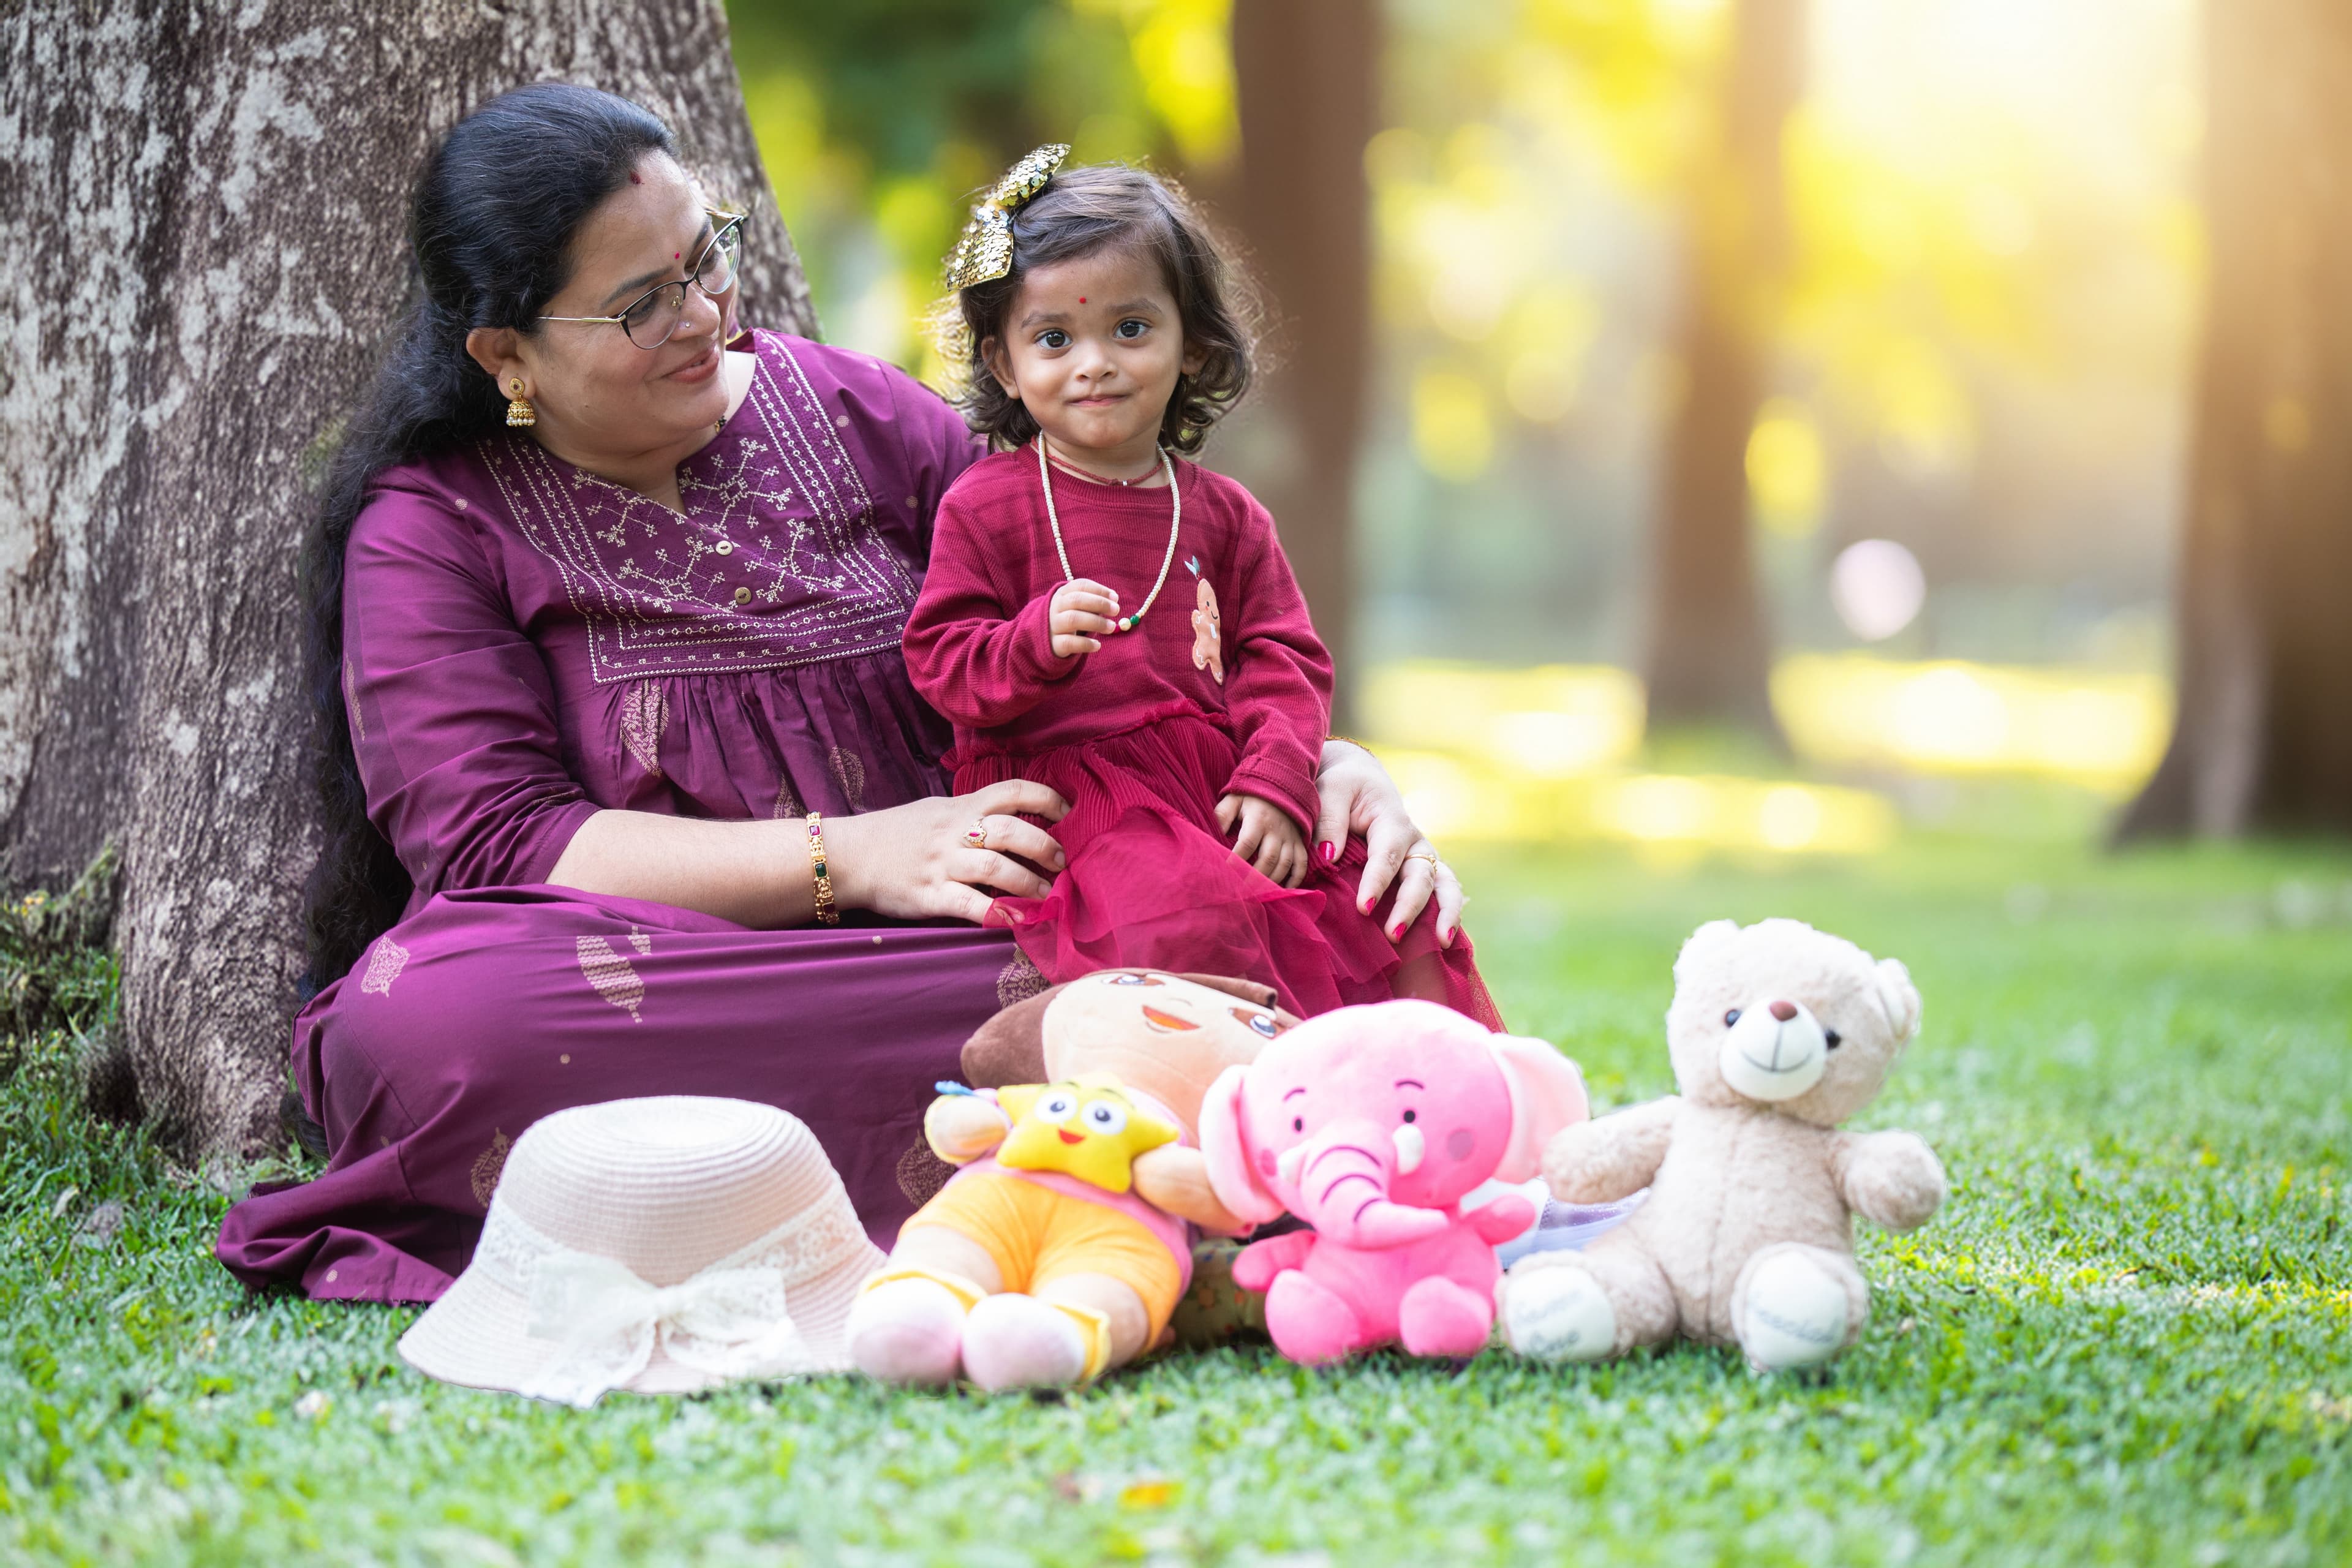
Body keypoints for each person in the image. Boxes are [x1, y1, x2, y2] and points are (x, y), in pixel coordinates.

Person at [214, 85, 1468, 1305]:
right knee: (434, 1026)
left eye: (708, 258)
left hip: (993, 920)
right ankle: (1149, 1090)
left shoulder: (858, 414)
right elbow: (497, 838)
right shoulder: (433, 526)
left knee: (1287, 896)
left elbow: (1120, 620)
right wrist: (850, 858)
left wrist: (1314, 759)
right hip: (665, 966)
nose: (705, 313)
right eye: (644, 303)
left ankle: (1141, 1076)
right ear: (508, 353)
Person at [902, 149, 1496, 1025]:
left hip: (1221, 788)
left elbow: (1282, 655)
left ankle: (1423, 1094)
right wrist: (1031, 641)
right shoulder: (987, 505)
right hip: (1084, 806)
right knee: (1182, 916)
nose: (1094, 363)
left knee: (1380, 906)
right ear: (1003, 365)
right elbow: (940, 658)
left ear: (1193, 344)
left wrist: (1277, 780)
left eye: (1132, 329)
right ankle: (1242, 1104)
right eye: (1054, 338)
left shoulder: (1225, 514)